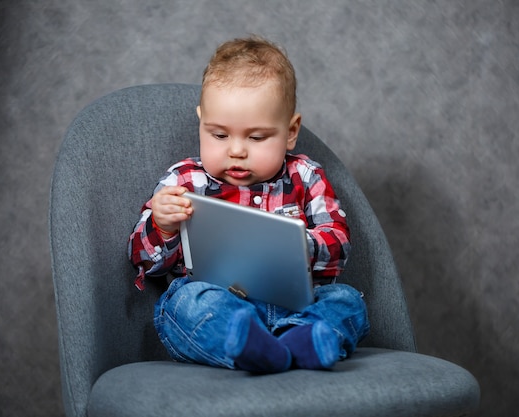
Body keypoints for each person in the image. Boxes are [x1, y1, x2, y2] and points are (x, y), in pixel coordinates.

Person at [128, 36, 369, 373]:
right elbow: (141, 259)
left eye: (256, 137)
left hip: (295, 307)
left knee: (347, 301)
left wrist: (296, 246)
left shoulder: (306, 176)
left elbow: (339, 247)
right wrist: (162, 224)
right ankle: (254, 345)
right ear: (201, 122)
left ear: (290, 131)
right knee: (182, 303)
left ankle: (292, 344)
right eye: (219, 135)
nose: (236, 150)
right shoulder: (183, 181)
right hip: (220, 305)